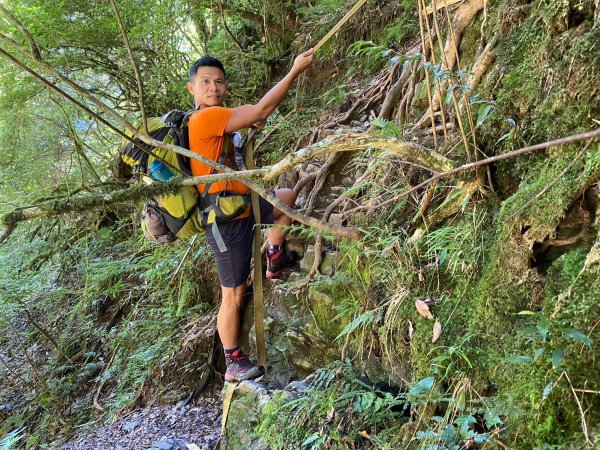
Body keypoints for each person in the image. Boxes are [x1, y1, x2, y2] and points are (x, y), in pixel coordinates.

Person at [186, 49, 314, 382]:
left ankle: (274, 258)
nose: (213, 87)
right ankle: (233, 362)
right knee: (234, 293)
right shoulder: (203, 118)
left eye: (218, 81)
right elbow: (261, 109)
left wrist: (252, 120)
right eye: (205, 82)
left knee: (284, 199)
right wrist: (295, 69)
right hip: (223, 219)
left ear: (225, 86)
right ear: (192, 89)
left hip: (243, 204)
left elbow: (252, 117)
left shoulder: (219, 119)